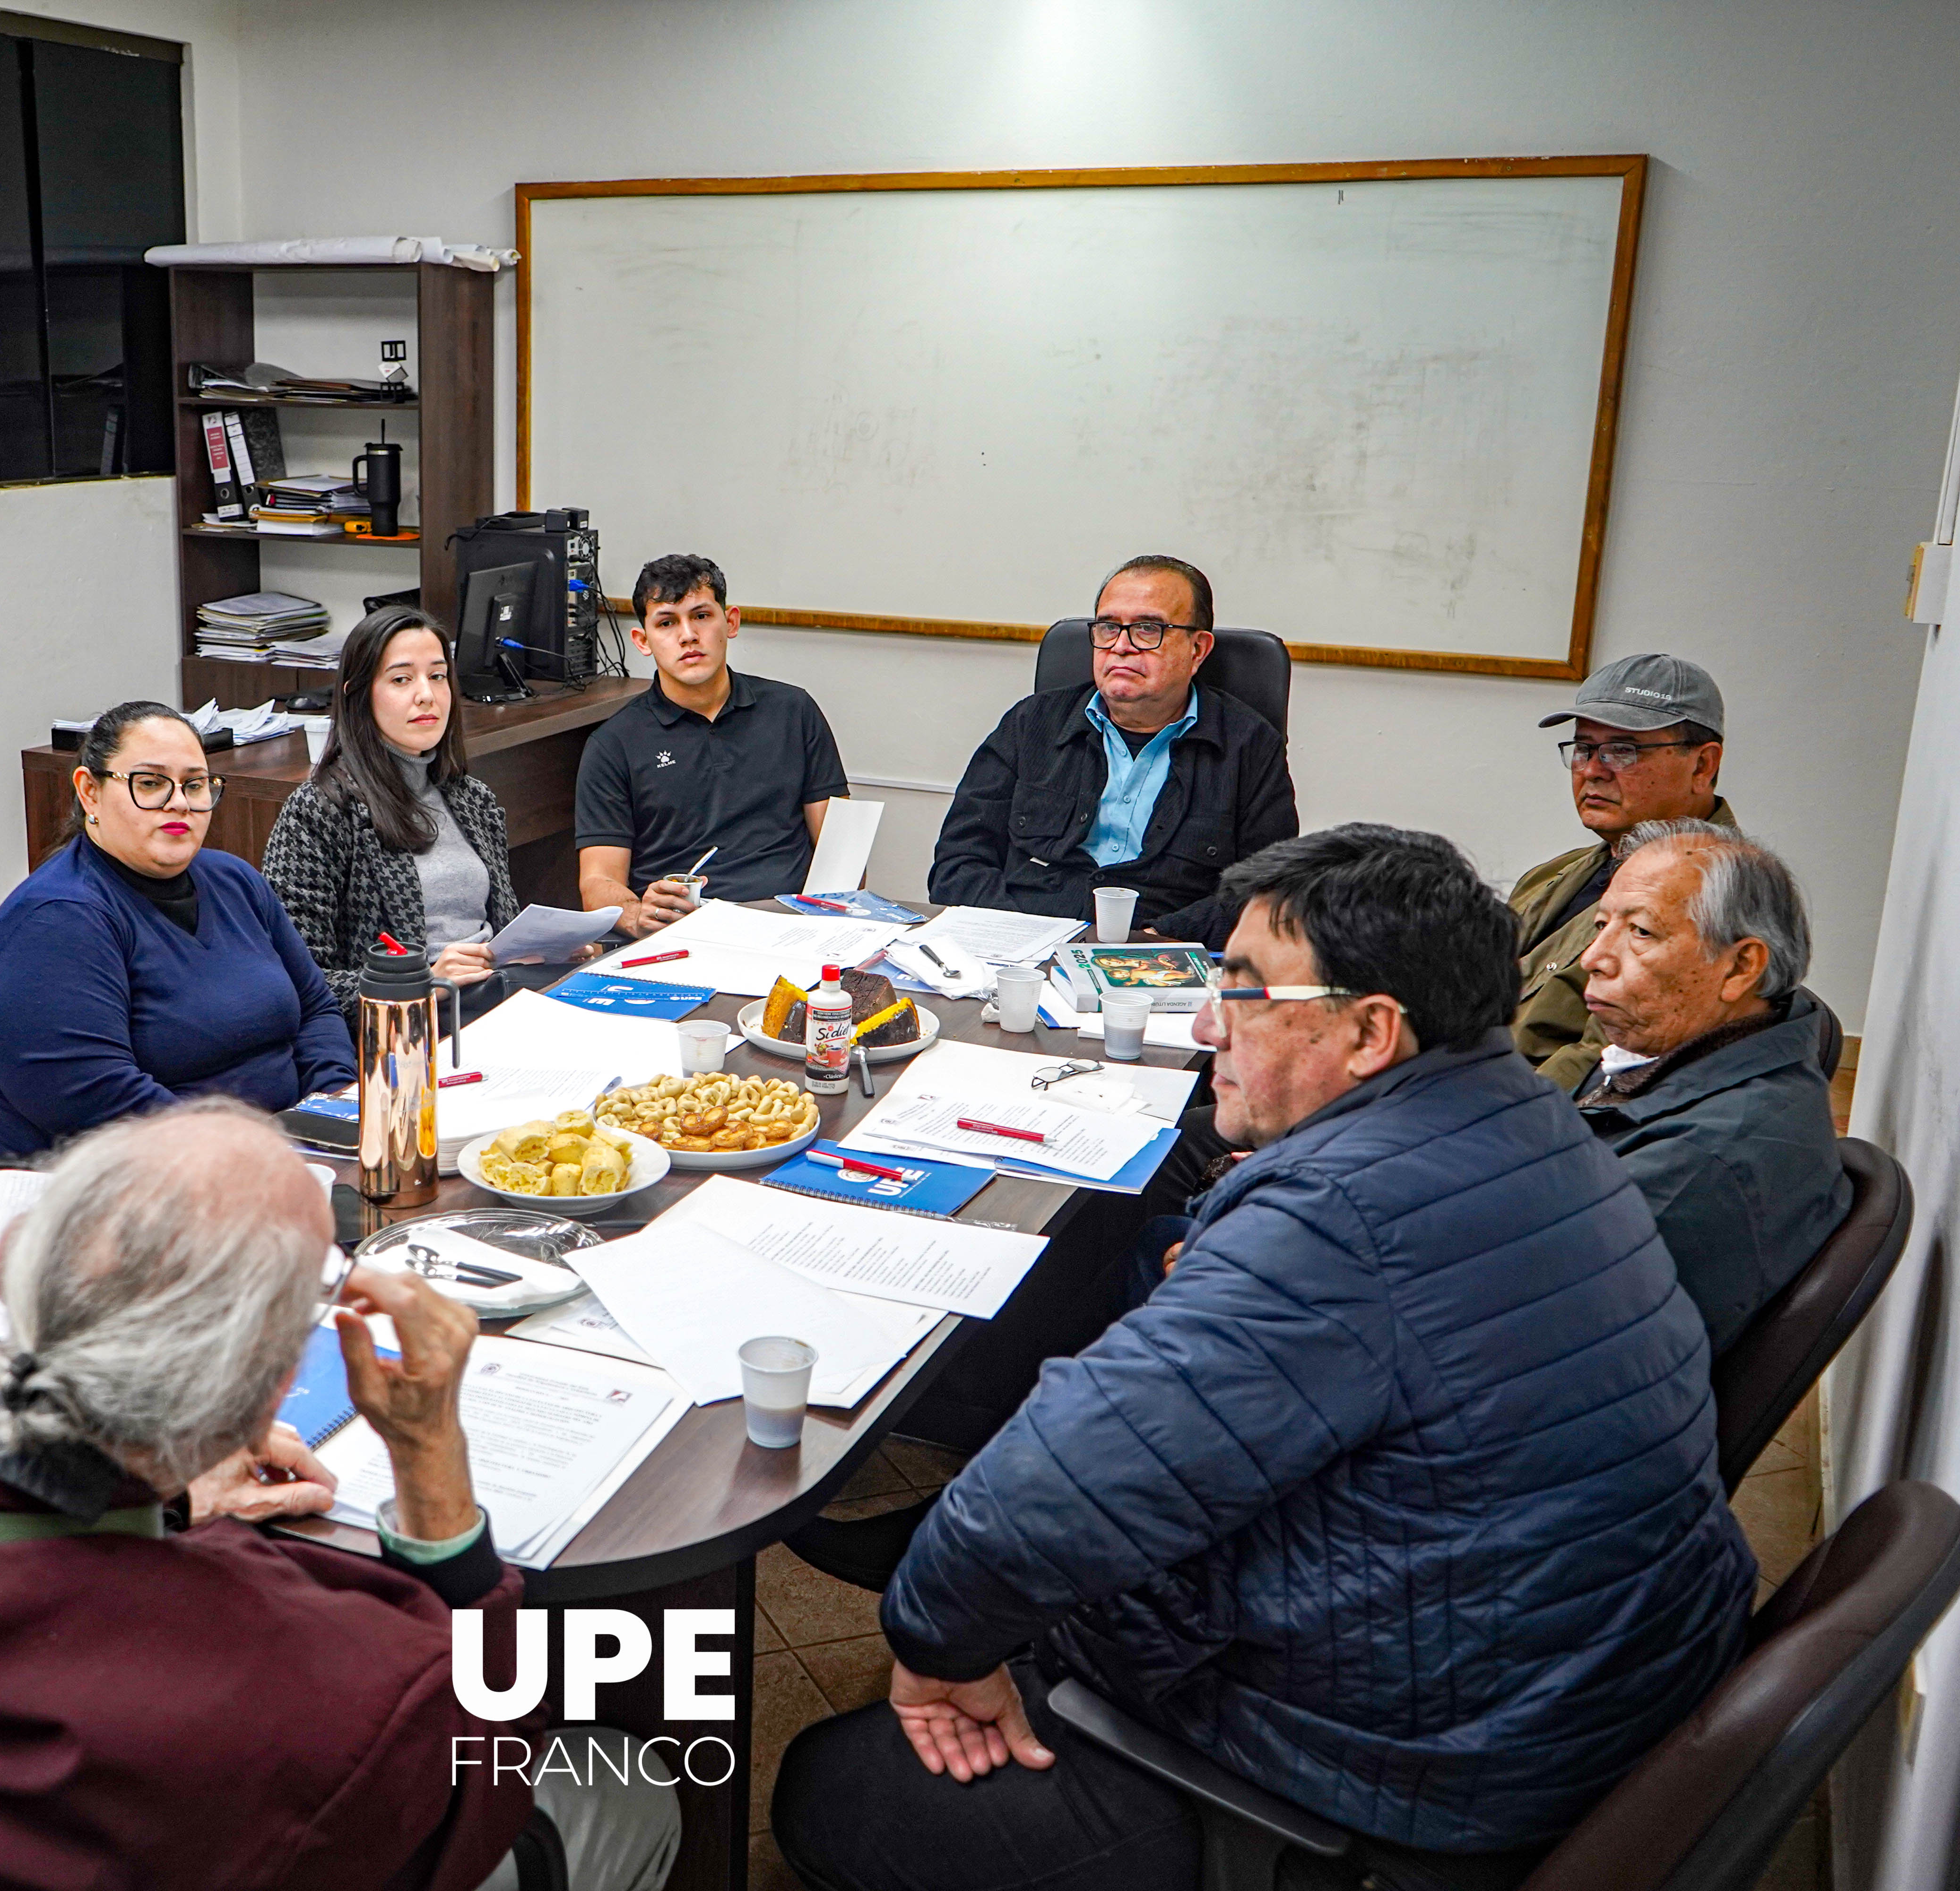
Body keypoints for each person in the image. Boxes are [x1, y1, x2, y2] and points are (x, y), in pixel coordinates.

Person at [772, 824, 1755, 1891]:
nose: (1205, 1024)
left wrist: (933, 1646)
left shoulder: (1341, 1217)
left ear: (1373, 1031)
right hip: (1555, 1697)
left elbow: (1032, 1500)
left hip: (1413, 1784)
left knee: (835, 1786)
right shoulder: (1530, 1117)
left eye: (1241, 991)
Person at [0, 1101, 681, 1891]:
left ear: (8, 1258)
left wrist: (163, 1503)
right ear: (281, 1384)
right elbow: (482, 1756)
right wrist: (428, 1452)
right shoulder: (346, 1683)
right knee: (631, 1798)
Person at [0, 701, 357, 1159]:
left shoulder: (235, 881)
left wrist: (331, 1115)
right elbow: (105, 1107)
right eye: (149, 783)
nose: (178, 802)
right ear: (90, 792)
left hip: (284, 1156)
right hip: (117, 1189)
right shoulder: (53, 922)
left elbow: (316, 1008)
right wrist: (256, 1156)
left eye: (195, 784)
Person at [1574, 819, 1851, 1352]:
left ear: (1741, 967)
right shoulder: (1682, 1047)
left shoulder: (1700, 1162)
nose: (1594, 958)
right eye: (1601, 924)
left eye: (1641, 932)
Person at [928, 555, 1296, 949]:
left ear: (1197, 650)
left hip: (1160, 960)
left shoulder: (1249, 746)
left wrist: (1154, 941)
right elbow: (958, 864)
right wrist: (1024, 937)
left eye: (1147, 629)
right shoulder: (1031, 723)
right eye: (1108, 628)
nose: (1121, 647)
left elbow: (1267, 890)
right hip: (1020, 951)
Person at [261, 606, 520, 1014]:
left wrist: (549, 948)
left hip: (498, 1000)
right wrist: (421, 983)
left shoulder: (474, 799)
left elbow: (503, 928)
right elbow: (295, 975)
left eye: (437, 676)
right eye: (402, 679)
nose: (427, 694)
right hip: (407, 1026)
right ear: (358, 695)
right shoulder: (319, 811)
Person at [575, 553, 849, 935]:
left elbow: (841, 850)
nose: (688, 635)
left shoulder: (794, 711)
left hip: (793, 924)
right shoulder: (613, 744)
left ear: (731, 622)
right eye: (667, 623)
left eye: (702, 616)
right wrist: (637, 915)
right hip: (683, 931)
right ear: (642, 641)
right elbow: (598, 883)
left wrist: (831, 928)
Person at [1511, 653, 1736, 1089]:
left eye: (1623, 751)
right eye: (1583, 749)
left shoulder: (1716, 897)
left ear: (1703, 765)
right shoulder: (1554, 874)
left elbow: (1606, 1067)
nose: (1593, 771)